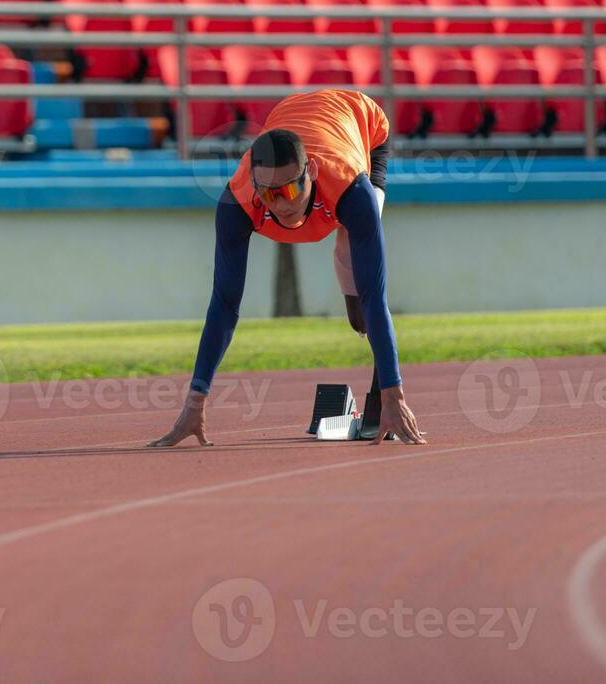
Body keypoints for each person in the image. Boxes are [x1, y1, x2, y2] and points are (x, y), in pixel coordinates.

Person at [149, 89, 427, 447]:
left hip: (360, 121)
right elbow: (224, 304)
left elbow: (376, 293)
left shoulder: (349, 189)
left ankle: (382, 399)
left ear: (310, 171)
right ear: (254, 182)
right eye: (269, 194)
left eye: (291, 190)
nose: (281, 205)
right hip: (293, 113)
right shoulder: (238, 202)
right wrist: (194, 402)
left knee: (359, 294)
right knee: (357, 302)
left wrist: (395, 395)